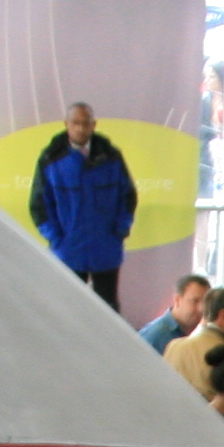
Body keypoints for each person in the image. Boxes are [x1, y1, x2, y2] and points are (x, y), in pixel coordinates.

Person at [28, 103, 139, 308]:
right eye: (75, 123)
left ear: (94, 125)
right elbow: (39, 206)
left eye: (85, 123)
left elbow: (128, 196)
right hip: (68, 251)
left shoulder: (111, 157)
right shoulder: (50, 159)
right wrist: (57, 239)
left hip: (105, 249)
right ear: (66, 125)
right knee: (68, 309)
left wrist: (120, 230)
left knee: (108, 311)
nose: (80, 128)